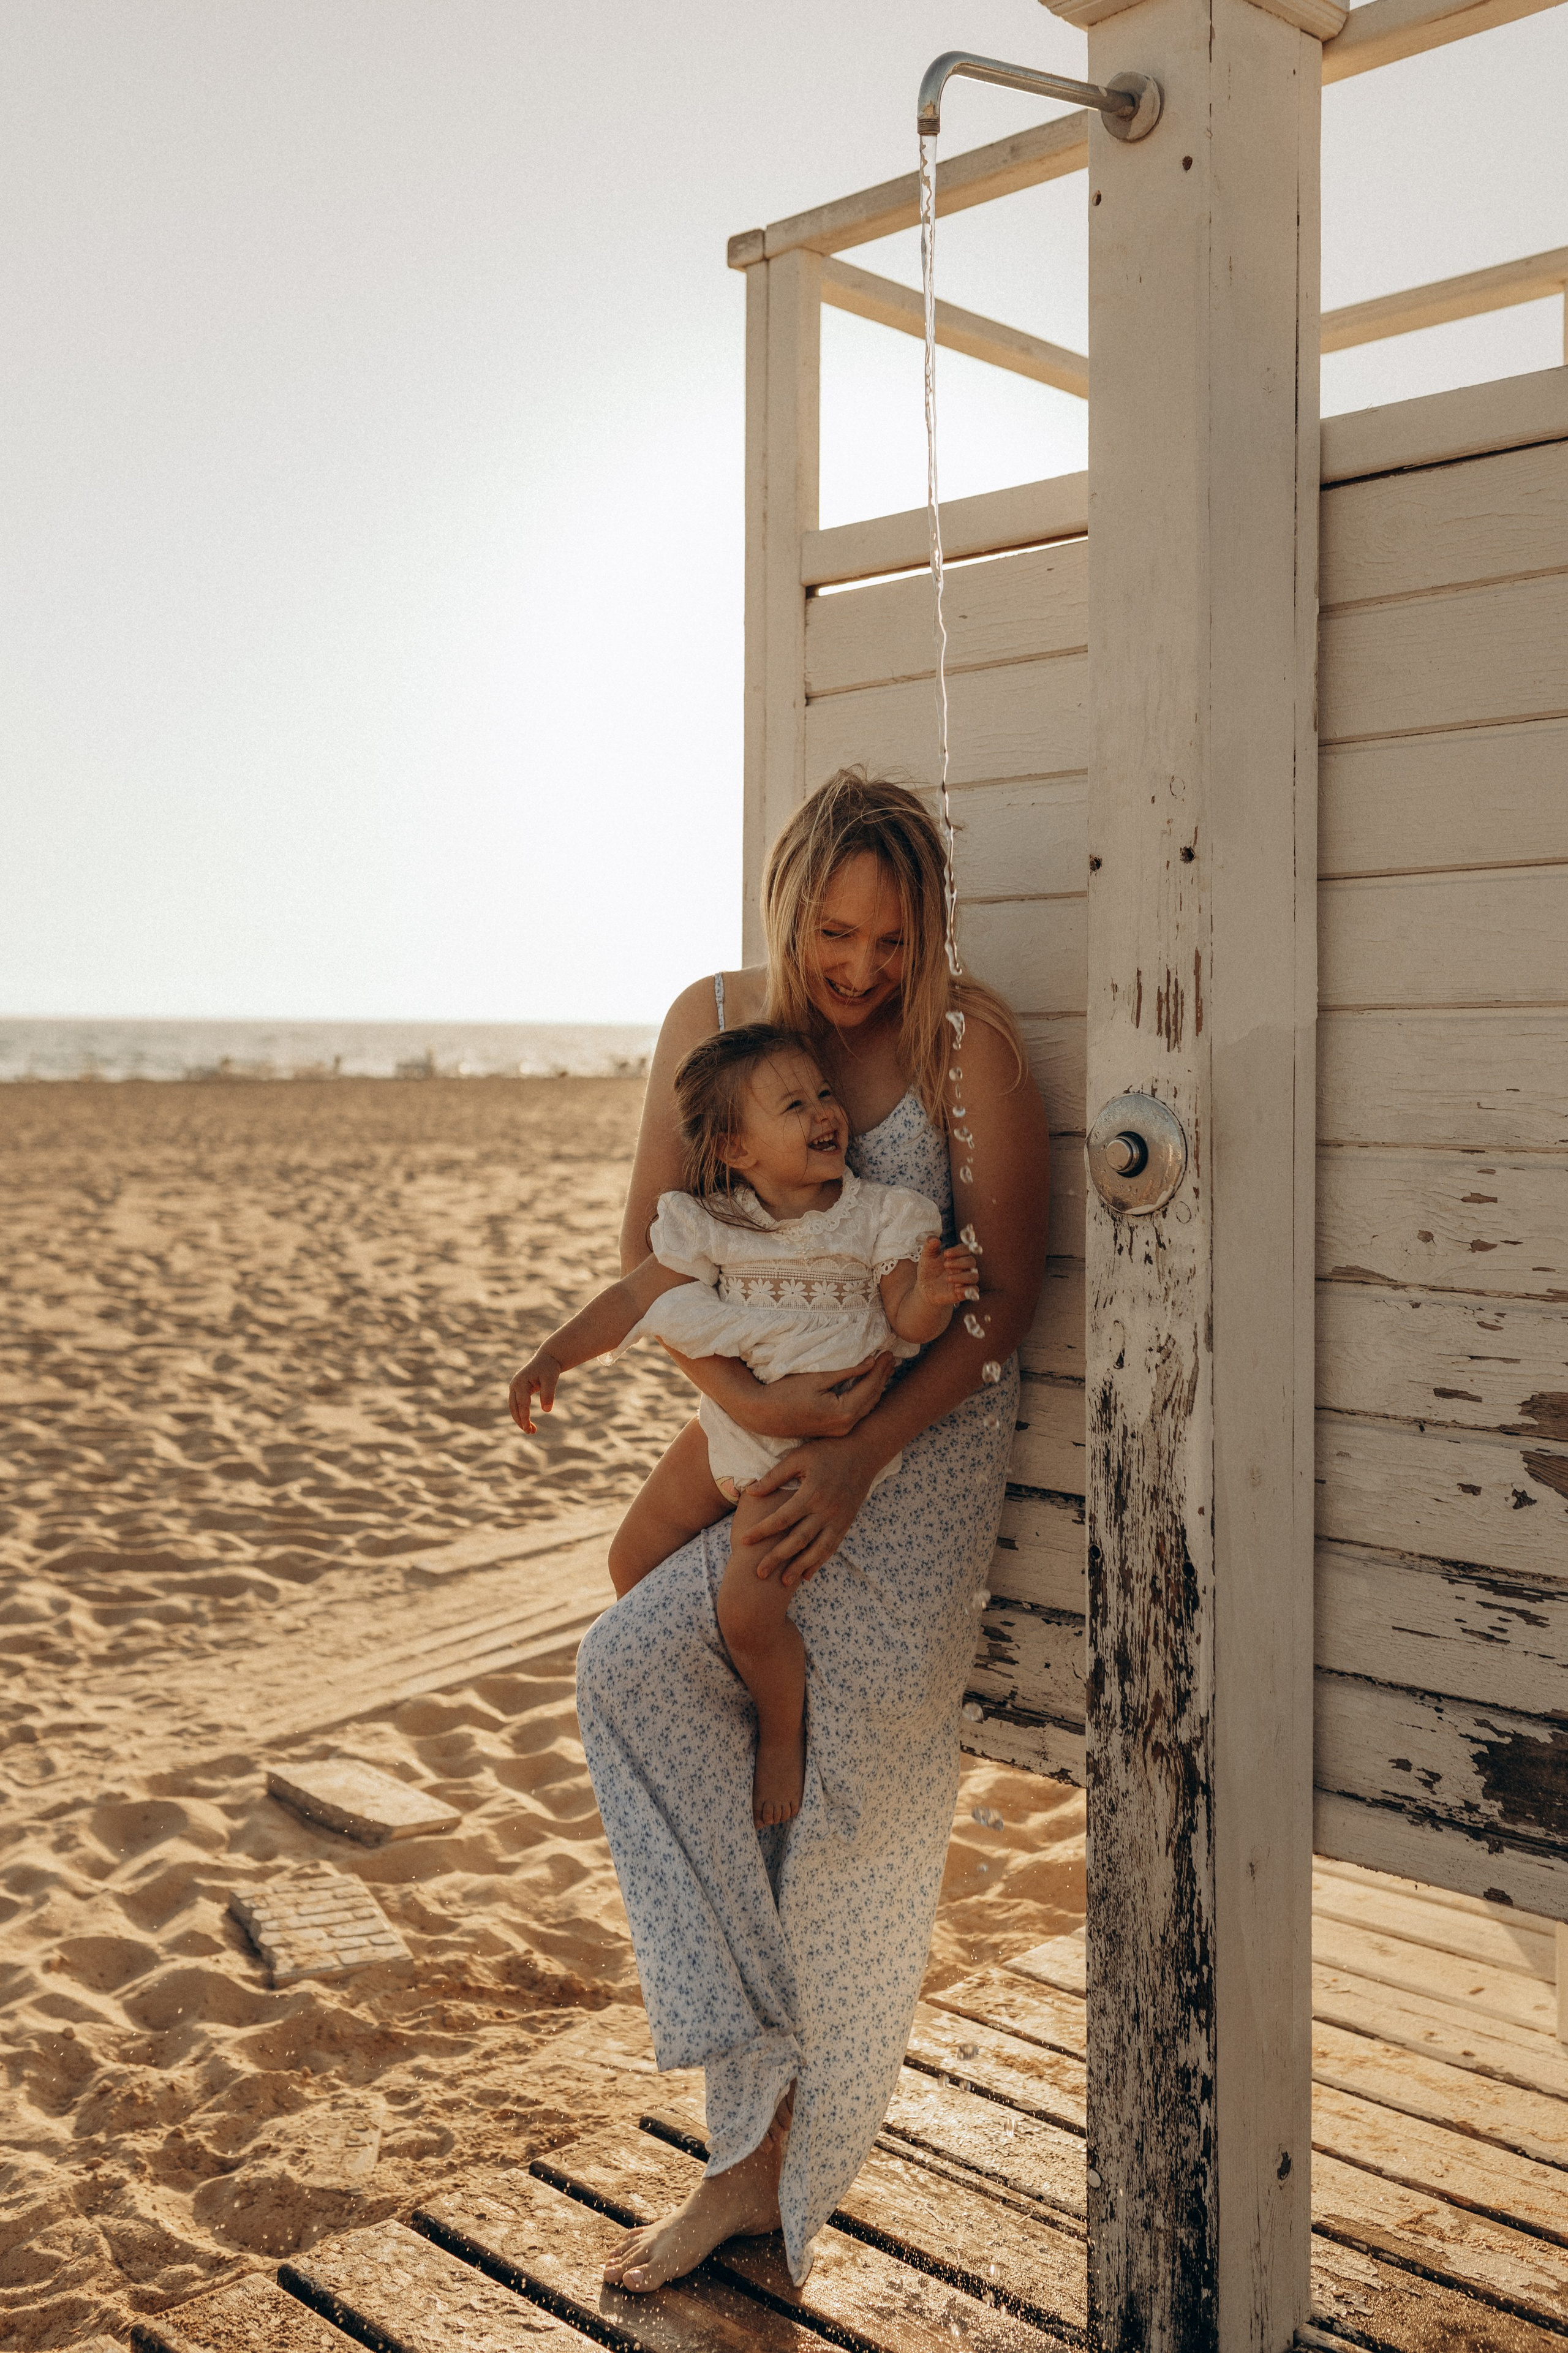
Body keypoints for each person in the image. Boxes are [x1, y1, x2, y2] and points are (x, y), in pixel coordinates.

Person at [573, 768, 1050, 2293]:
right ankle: (746, 2068)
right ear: (786, 905)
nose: (859, 968)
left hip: (915, 1456)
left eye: (891, 940)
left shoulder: (967, 1049)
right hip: (777, 1436)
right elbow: (650, 1261)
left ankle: (758, 2169)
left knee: (834, 1808)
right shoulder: (712, 1023)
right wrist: (761, 1412)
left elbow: (1002, 1307)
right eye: (834, 933)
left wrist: (856, 1458)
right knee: (630, 1664)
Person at [508, 1022, 981, 1828]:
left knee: (749, 1612)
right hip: (725, 1428)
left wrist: (931, 1295)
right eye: (794, 1106)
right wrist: (554, 1355)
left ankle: (779, 1731)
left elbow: (905, 1317)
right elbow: (635, 1298)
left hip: (809, 1446)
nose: (825, 1111)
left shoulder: (876, 1216)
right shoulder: (714, 1222)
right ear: (736, 1150)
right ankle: (711, 1692)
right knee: (629, 1559)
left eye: (824, 1094)